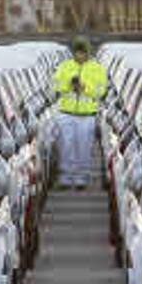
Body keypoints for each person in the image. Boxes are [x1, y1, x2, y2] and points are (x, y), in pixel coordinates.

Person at [52, 36, 107, 190]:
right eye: (77, 52)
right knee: (66, 146)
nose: (80, 55)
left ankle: (81, 177)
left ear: (88, 52)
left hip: (87, 115)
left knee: (84, 146)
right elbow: (56, 85)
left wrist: (85, 87)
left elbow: (100, 90)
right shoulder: (64, 66)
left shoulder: (97, 68)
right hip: (66, 113)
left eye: (82, 52)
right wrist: (69, 84)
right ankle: (66, 178)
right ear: (73, 52)